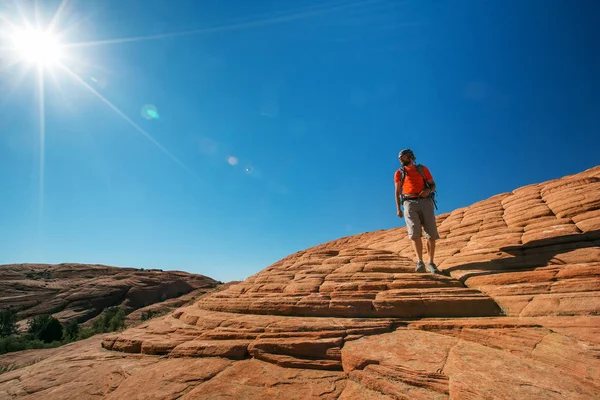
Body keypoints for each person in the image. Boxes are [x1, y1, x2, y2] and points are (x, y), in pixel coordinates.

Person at [395, 149, 441, 274]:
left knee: (431, 233)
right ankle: (420, 261)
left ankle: (431, 263)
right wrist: (398, 208)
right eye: (399, 158)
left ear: (410, 156)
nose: (400, 159)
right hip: (409, 202)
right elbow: (397, 192)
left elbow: (433, 185)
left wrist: (428, 190)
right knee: (414, 232)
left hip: (425, 201)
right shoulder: (399, 173)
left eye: (402, 157)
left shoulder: (422, 169)